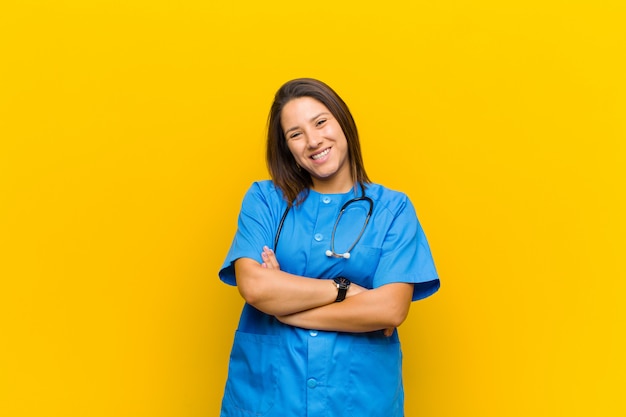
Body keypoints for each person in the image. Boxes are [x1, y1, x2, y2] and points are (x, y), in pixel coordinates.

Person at [218, 78, 440, 416]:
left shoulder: (393, 209)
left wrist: (284, 309)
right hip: (269, 400)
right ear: (286, 146)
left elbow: (391, 310)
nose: (313, 141)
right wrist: (345, 288)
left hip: (358, 402)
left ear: (342, 121)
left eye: (320, 122)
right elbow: (255, 286)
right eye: (295, 134)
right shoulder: (264, 200)